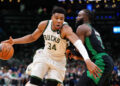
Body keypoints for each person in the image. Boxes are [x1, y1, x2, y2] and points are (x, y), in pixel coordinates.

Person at [1, 7, 101, 86]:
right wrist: (14, 41)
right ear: (52, 17)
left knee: (51, 83)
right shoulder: (44, 25)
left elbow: (78, 43)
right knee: (34, 81)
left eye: (61, 19)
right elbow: (32, 37)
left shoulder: (66, 29)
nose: (58, 21)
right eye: (56, 18)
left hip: (59, 60)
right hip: (45, 55)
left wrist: (87, 60)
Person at [67, 9, 114, 86]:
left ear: (85, 18)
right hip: (106, 61)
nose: (76, 18)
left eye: (79, 16)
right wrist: (76, 57)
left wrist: (69, 49)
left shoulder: (81, 27)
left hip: (101, 62)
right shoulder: (93, 30)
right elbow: (90, 53)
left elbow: (79, 48)